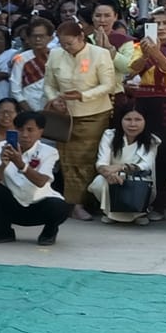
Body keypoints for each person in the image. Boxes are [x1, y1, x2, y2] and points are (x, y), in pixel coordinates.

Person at [46, 20, 117, 218]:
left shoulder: (99, 54)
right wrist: (54, 99)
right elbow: (49, 84)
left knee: (87, 160)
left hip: (94, 114)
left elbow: (108, 85)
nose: (66, 48)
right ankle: (73, 203)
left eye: (70, 43)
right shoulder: (55, 54)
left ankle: (87, 202)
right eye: (62, 44)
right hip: (65, 116)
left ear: (81, 37)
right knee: (68, 161)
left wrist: (83, 95)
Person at [124, 7, 166, 201]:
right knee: (141, 144)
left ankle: (162, 197)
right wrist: (145, 55)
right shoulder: (138, 47)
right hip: (143, 102)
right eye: (156, 24)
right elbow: (132, 71)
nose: (161, 27)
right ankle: (138, 195)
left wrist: (155, 51)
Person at [0, 111, 68, 245]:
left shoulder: (49, 152)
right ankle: (2, 233)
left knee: (60, 207)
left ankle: (49, 233)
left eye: (30, 130)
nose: (25, 134)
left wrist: (20, 164)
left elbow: (41, 181)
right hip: (11, 204)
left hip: (38, 205)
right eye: (20, 130)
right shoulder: (2, 147)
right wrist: (3, 164)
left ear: (40, 132)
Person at [90, 109, 160, 224]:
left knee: (143, 184)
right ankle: (110, 213)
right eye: (128, 119)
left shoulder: (152, 140)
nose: (132, 124)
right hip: (112, 176)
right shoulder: (110, 135)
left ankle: (140, 213)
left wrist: (121, 167)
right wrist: (108, 175)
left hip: (139, 178)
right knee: (99, 182)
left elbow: (146, 165)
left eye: (138, 120)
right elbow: (101, 162)